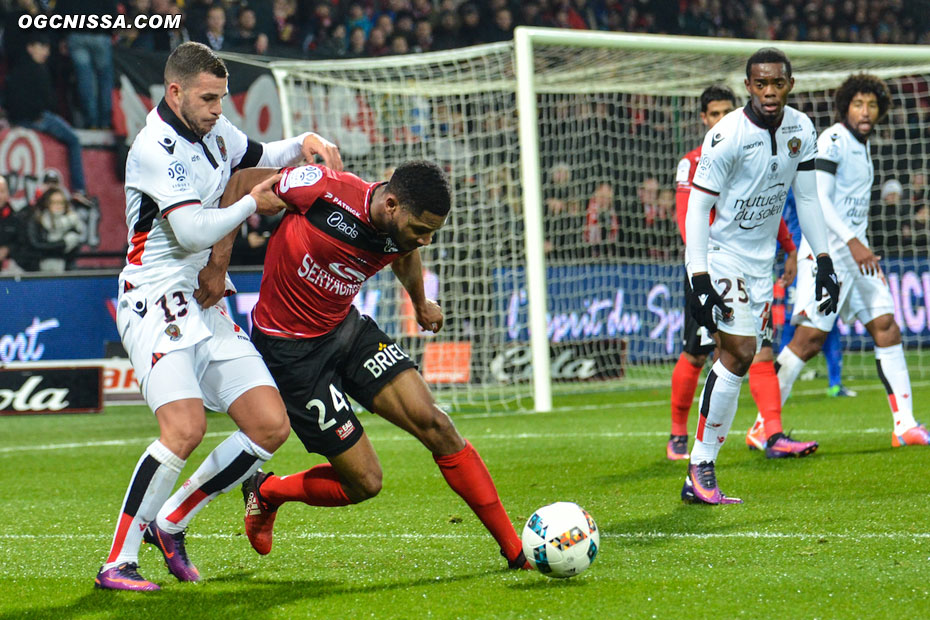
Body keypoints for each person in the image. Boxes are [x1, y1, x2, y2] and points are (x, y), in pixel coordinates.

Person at [94, 42, 344, 591]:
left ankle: (172, 521)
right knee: (184, 429)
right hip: (154, 299)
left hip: (203, 298)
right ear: (175, 91)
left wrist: (301, 142)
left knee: (269, 425)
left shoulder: (213, 128)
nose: (217, 109)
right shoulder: (154, 149)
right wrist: (255, 202)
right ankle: (117, 562)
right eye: (208, 98)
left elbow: (259, 149)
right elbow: (192, 232)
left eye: (222, 98)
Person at [216, 160, 530, 570]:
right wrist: (216, 266)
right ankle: (268, 491)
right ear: (392, 204)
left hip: (346, 331)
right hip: (292, 352)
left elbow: (405, 252)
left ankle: (515, 551)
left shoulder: (403, 232)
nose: (427, 240)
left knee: (436, 424)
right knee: (365, 482)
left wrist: (419, 303)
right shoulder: (321, 189)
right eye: (421, 229)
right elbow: (241, 181)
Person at [682, 47, 839, 504]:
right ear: (748, 86)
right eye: (761, 84)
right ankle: (701, 463)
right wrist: (699, 276)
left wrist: (823, 260)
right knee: (740, 350)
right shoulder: (727, 135)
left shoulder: (802, 129)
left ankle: (701, 467)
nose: (770, 92)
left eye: (778, 83)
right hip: (723, 254)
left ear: (790, 84)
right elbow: (698, 206)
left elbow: (807, 199)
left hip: (761, 262)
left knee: (742, 358)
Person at [769, 73, 928, 448]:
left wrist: (861, 247)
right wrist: (856, 243)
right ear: (845, 107)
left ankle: (904, 424)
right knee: (809, 339)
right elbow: (819, 200)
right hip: (827, 251)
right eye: (858, 104)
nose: (866, 111)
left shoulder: (863, 145)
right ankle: (765, 423)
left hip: (857, 253)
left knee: (886, 325)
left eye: (872, 105)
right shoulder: (834, 140)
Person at [668, 84, 803, 462]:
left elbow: (764, 207)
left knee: (759, 350)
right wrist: (701, 268)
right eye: (714, 113)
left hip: (751, 266)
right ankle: (679, 434)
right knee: (697, 353)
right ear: (703, 119)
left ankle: (772, 433)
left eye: (727, 112)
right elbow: (687, 216)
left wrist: (790, 247)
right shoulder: (692, 162)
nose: (721, 119)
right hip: (708, 266)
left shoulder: (748, 150)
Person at [4, 35, 91, 202]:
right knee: (73, 139)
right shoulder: (36, 69)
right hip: (36, 118)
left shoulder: (16, 69)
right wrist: (36, 116)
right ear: (30, 47)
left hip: (22, 119)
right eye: (41, 46)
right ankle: (79, 189)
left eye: (47, 48)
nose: (45, 52)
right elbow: (45, 100)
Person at [18, 187, 86, 272]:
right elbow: (35, 245)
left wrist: (51, 248)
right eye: (54, 202)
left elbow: (74, 250)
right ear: (47, 203)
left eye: (61, 203)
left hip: (65, 269)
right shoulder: (37, 220)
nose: (58, 206)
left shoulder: (72, 222)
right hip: (37, 269)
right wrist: (63, 244)